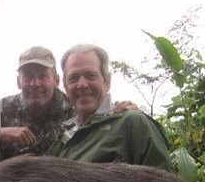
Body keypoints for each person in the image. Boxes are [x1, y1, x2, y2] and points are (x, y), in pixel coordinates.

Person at [46, 43, 173, 172]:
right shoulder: (62, 139)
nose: (82, 84)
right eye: (73, 78)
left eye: (90, 75)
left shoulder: (132, 123)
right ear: (66, 88)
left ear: (107, 82)